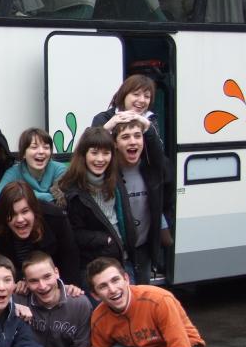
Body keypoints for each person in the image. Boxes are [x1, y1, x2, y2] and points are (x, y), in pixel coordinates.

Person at [59, 127, 137, 283]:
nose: (100, 159)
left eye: (106, 153)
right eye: (94, 153)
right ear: (84, 154)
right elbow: (73, 234)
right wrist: (105, 240)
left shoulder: (115, 180)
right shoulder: (72, 190)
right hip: (93, 268)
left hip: (123, 260)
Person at [0, 181, 81, 293]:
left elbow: (70, 258)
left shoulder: (54, 218)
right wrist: (19, 280)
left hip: (54, 284)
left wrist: (69, 288)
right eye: (12, 214)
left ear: (34, 210)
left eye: (25, 211)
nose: (20, 219)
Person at [112, 117, 171, 284]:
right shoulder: (109, 172)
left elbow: (156, 148)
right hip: (118, 251)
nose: (133, 142)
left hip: (144, 249)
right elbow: (89, 147)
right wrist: (108, 125)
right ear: (115, 143)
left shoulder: (152, 169)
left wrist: (144, 123)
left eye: (137, 136)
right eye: (125, 137)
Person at [0, 128, 66, 211]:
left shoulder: (59, 170)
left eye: (46, 147)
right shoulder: (14, 173)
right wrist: (45, 197)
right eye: (34, 147)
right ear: (23, 153)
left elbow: (66, 201)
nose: (41, 151)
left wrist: (19, 195)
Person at [92, 74, 161, 140]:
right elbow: (91, 145)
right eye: (136, 94)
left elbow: (158, 148)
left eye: (147, 96)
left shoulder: (150, 120)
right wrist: (106, 129)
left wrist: (148, 128)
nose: (142, 100)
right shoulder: (102, 118)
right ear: (124, 95)